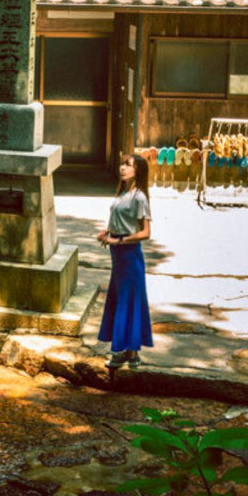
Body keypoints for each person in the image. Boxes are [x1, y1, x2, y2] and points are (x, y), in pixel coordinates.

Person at [97, 153, 153, 371]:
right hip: (118, 254)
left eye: (127, 165)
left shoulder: (139, 197)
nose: (122, 168)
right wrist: (108, 231)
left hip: (129, 255)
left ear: (137, 170)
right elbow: (120, 220)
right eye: (122, 164)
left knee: (127, 301)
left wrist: (119, 239)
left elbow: (146, 232)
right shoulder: (122, 193)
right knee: (122, 299)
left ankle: (126, 352)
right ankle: (129, 352)